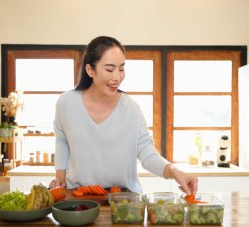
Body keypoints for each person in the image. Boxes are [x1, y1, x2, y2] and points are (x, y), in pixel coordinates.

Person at [49, 36, 198, 195]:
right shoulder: (66, 103)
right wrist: (60, 176)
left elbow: (147, 153)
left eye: (121, 68)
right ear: (90, 70)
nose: (117, 77)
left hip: (123, 201)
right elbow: (63, 139)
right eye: (109, 69)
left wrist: (175, 172)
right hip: (78, 196)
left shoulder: (131, 109)